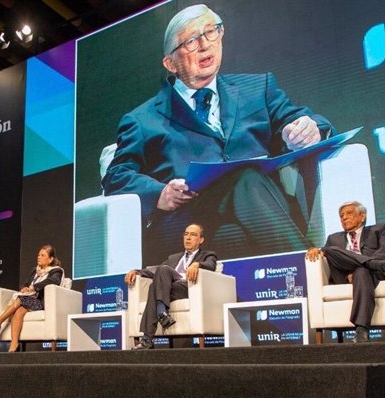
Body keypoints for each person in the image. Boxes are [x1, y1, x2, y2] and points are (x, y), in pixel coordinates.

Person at [102, 3, 334, 265]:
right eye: (190, 41)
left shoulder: (258, 87)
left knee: (233, 234)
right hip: (187, 221)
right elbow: (116, 177)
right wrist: (160, 194)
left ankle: (295, 275)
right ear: (170, 63)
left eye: (210, 32)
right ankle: (312, 269)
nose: (204, 45)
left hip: (258, 213)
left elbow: (298, 119)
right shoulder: (142, 119)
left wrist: (309, 129)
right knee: (244, 178)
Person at [305, 201, 385, 343]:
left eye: (349, 213)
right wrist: (313, 250)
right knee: (329, 250)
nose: (344, 218)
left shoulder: (378, 230)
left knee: (361, 271)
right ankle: (376, 265)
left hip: (369, 275)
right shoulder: (334, 238)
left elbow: (384, 252)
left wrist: (360, 267)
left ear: (362, 216)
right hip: (344, 275)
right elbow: (326, 254)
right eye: (341, 216)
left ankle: (361, 331)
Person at [125, 223, 217, 350]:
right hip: (169, 288)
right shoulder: (173, 258)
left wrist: (197, 264)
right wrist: (137, 272)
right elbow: (156, 271)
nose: (188, 238)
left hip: (188, 287)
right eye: (186, 234)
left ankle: (149, 335)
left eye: (193, 235)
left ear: (201, 239)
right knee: (157, 282)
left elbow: (211, 265)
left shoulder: (207, 255)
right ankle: (160, 317)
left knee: (156, 284)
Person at [0, 244, 63, 352]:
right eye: (38, 255)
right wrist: (24, 288)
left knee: (20, 299)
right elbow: (25, 283)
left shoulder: (56, 271)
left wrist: (34, 287)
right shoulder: (35, 271)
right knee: (18, 311)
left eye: (42, 255)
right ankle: (13, 345)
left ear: (50, 259)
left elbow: (53, 281)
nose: (39, 257)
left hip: (41, 303)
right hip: (30, 300)